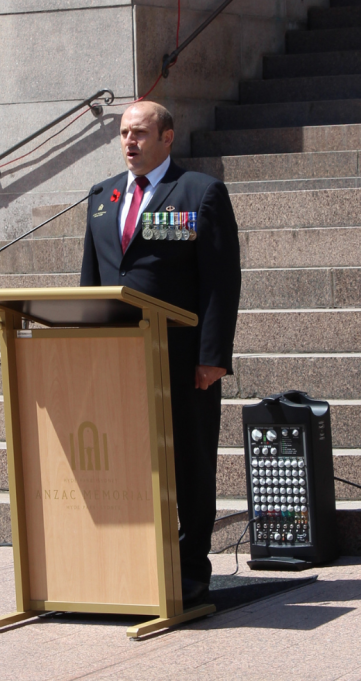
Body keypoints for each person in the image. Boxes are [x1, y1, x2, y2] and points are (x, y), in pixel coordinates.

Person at [80, 101, 241, 607]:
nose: (130, 142)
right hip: (121, 358)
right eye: (124, 133)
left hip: (181, 356)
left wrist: (213, 356)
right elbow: (92, 279)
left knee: (190, 463)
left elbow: (220, 281)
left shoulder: (199, 193)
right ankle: (131, 559)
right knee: (126, 462)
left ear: (167, 138)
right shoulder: (101, 197)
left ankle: (191, 568)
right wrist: (87, 349)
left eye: (141, 133)